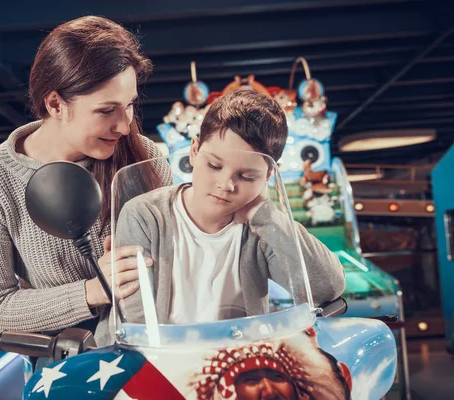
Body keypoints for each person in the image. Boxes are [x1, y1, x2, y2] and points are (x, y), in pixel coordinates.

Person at [0, 16, 172, 345]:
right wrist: (95, 291)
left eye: (129, 105)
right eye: (106, 111)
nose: (123, 125)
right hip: (65, 369)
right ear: (56, 104)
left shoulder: (145, 154)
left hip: (154, 351)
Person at [114, 89, 346, 325]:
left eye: (247, 176)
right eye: (214, 165)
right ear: (194, 150)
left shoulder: (261, 229)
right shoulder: (145, 215)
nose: (226, 185)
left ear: (268, 175)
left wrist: (263, 215)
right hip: (161, 358)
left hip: (239, 358)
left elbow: (326, 287)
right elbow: (135, 320)